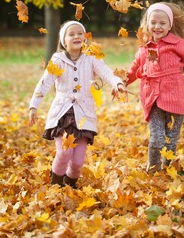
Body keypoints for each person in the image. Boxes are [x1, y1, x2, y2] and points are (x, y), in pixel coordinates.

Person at [126, 2, 184, 174]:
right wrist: (121, 83)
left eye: (162, 23)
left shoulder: (177, 44)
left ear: (170, 25)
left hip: (175, 100)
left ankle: (168, 170)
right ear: (147, 23)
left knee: (170, 141)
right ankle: (153, 169)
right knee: (156, 139)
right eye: (153, 22)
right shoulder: (144, 47)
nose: (157, 26)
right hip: (152, 99)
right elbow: (134, 69)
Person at [29, 20, 126, 188]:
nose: (76, 36)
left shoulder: (91, 58)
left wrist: (117, 83)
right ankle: (55, 184)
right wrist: (33, 106)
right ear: (63, 41)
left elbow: (106, 73)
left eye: (80, 33)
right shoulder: (57, 60)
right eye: (71, 34)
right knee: (64, 152)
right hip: (63, 114)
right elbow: (44, 83)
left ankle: (70, 184)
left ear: (85, 38)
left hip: (84, 115)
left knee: (78, 161)